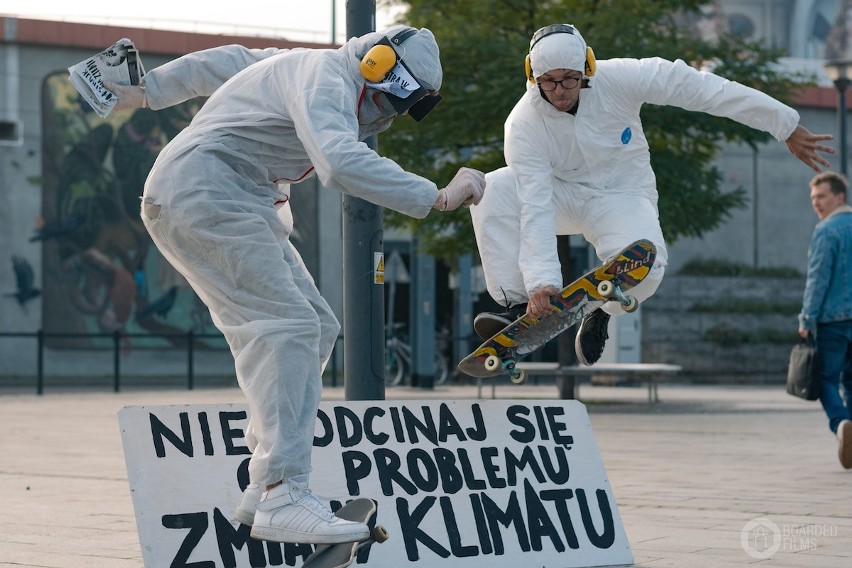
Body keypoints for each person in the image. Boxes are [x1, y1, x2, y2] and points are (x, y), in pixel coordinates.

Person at [103, 26, 485, 543]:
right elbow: (339, 161)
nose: (387, 114)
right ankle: (283, 490)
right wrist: (436, 196)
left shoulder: (296, 65)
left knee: (315, 326)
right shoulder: (326, 79)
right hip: (207, 193)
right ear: (373, 63)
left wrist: (149, 89)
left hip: (221, 198)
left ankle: (267, 486)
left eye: (399, 105)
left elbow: (227, 61)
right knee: (289, 327)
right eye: (388, 97)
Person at [470, 23, 834, 366]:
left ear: (588, 68)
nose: (561, 91)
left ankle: (601, 309)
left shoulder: (625, 76)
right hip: (561, 195)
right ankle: (517, 308)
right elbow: (534, 202)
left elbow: (705, 89)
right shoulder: (522, 124)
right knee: (494, 189)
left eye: (569, 79)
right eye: (549, 83)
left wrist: (783, 124)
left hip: (623, 194)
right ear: (533, 77)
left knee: (648, 264)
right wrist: (541, 282)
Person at [798, 171, 852, 469]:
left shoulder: (827, 230)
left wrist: (807, 318)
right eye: (813, 198)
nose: (816, 203)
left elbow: (817, 279)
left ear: (839, 197)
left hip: (832, 320)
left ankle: (841, 423)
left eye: (822, 196)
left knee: (826, 379)